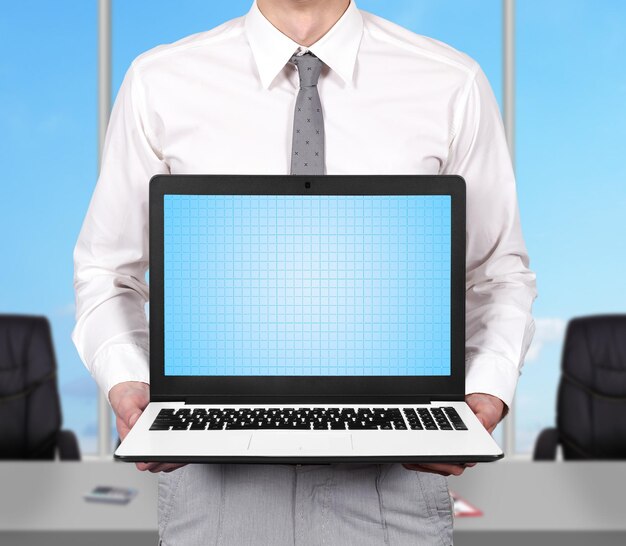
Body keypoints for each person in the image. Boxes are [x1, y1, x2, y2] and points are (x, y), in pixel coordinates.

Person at [73, 0, 536, 544]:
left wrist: (486, 391)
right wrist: (128, 379)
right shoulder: (160, 80)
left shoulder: (450, 81)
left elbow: (497, 272)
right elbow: (108, 269)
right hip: (217, 493)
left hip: (391, 491)